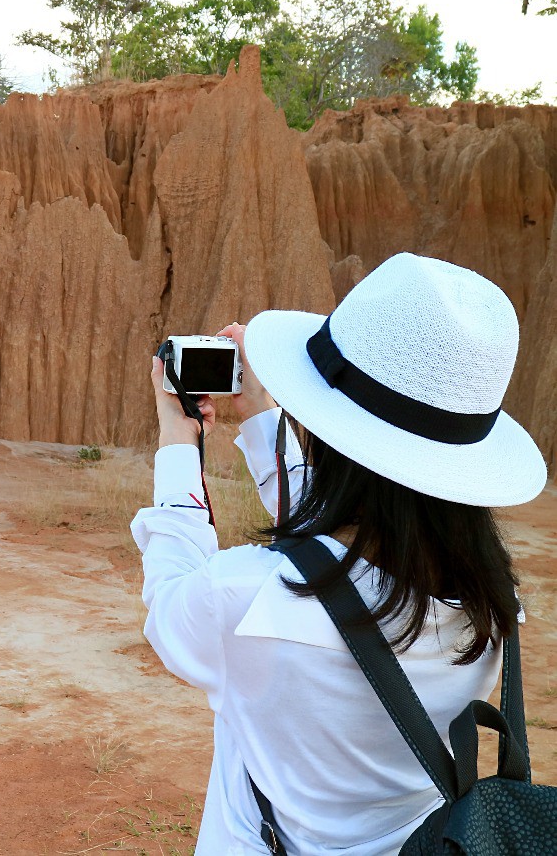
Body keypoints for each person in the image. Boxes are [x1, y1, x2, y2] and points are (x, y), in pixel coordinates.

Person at [130, 253, 549, 854]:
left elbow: (169, 606)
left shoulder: (248, 602)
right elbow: (348, 551)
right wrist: (259, 424)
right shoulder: (492, 607)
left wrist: (178, 441)